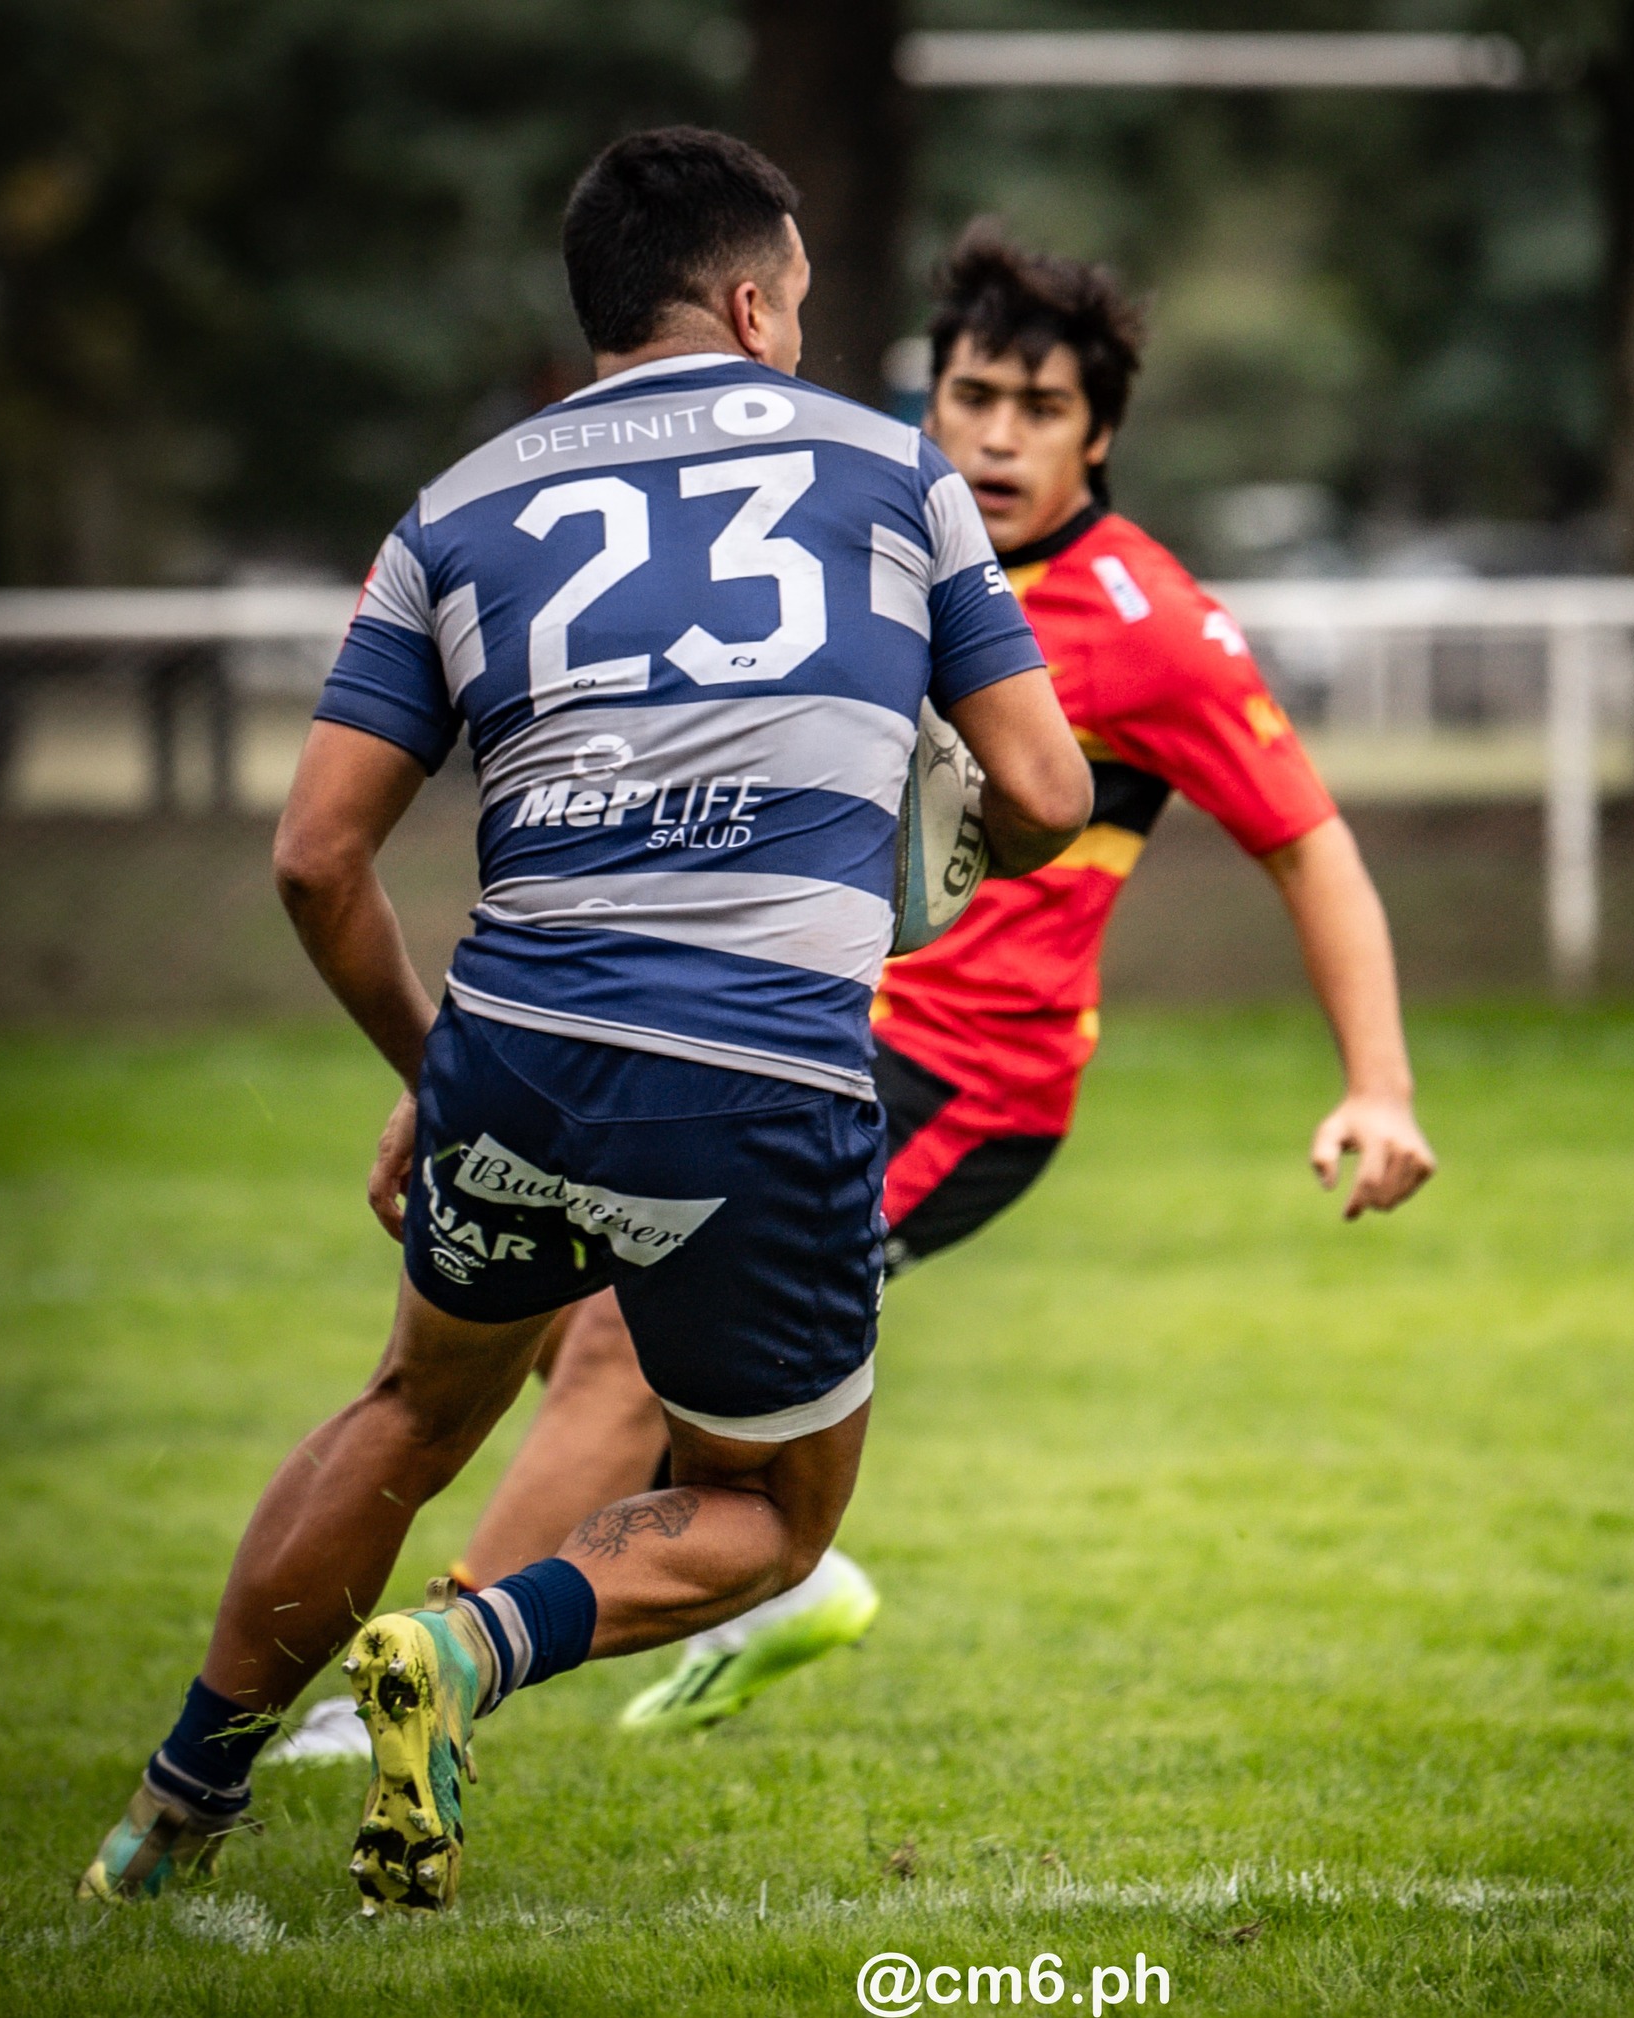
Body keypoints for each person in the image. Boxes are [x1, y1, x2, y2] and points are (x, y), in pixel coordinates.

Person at [77, 129, 1090, 1913]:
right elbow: (1047, 784)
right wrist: (932, 811)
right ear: (757, 298)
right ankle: (466, 1653)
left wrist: (435, 1074)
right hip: (765, 1062)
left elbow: (317, 861)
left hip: (511, 1041)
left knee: (408, 1405)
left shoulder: (455, 508)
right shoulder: (890, 470)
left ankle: (165, 1818)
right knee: (771, 1517)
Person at [363, 223, 1437, 1747]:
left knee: (608, 1334)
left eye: (1042, 408)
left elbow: (1311, 846)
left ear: (1102, 433)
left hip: (965, 1075)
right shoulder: (849, 537)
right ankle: (767, 1570)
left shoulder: (1150, 626)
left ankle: (427, 1677)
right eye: (975, 394)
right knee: (592, 1277)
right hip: (768, 1017)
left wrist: (1379, 1084)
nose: (997, 434)